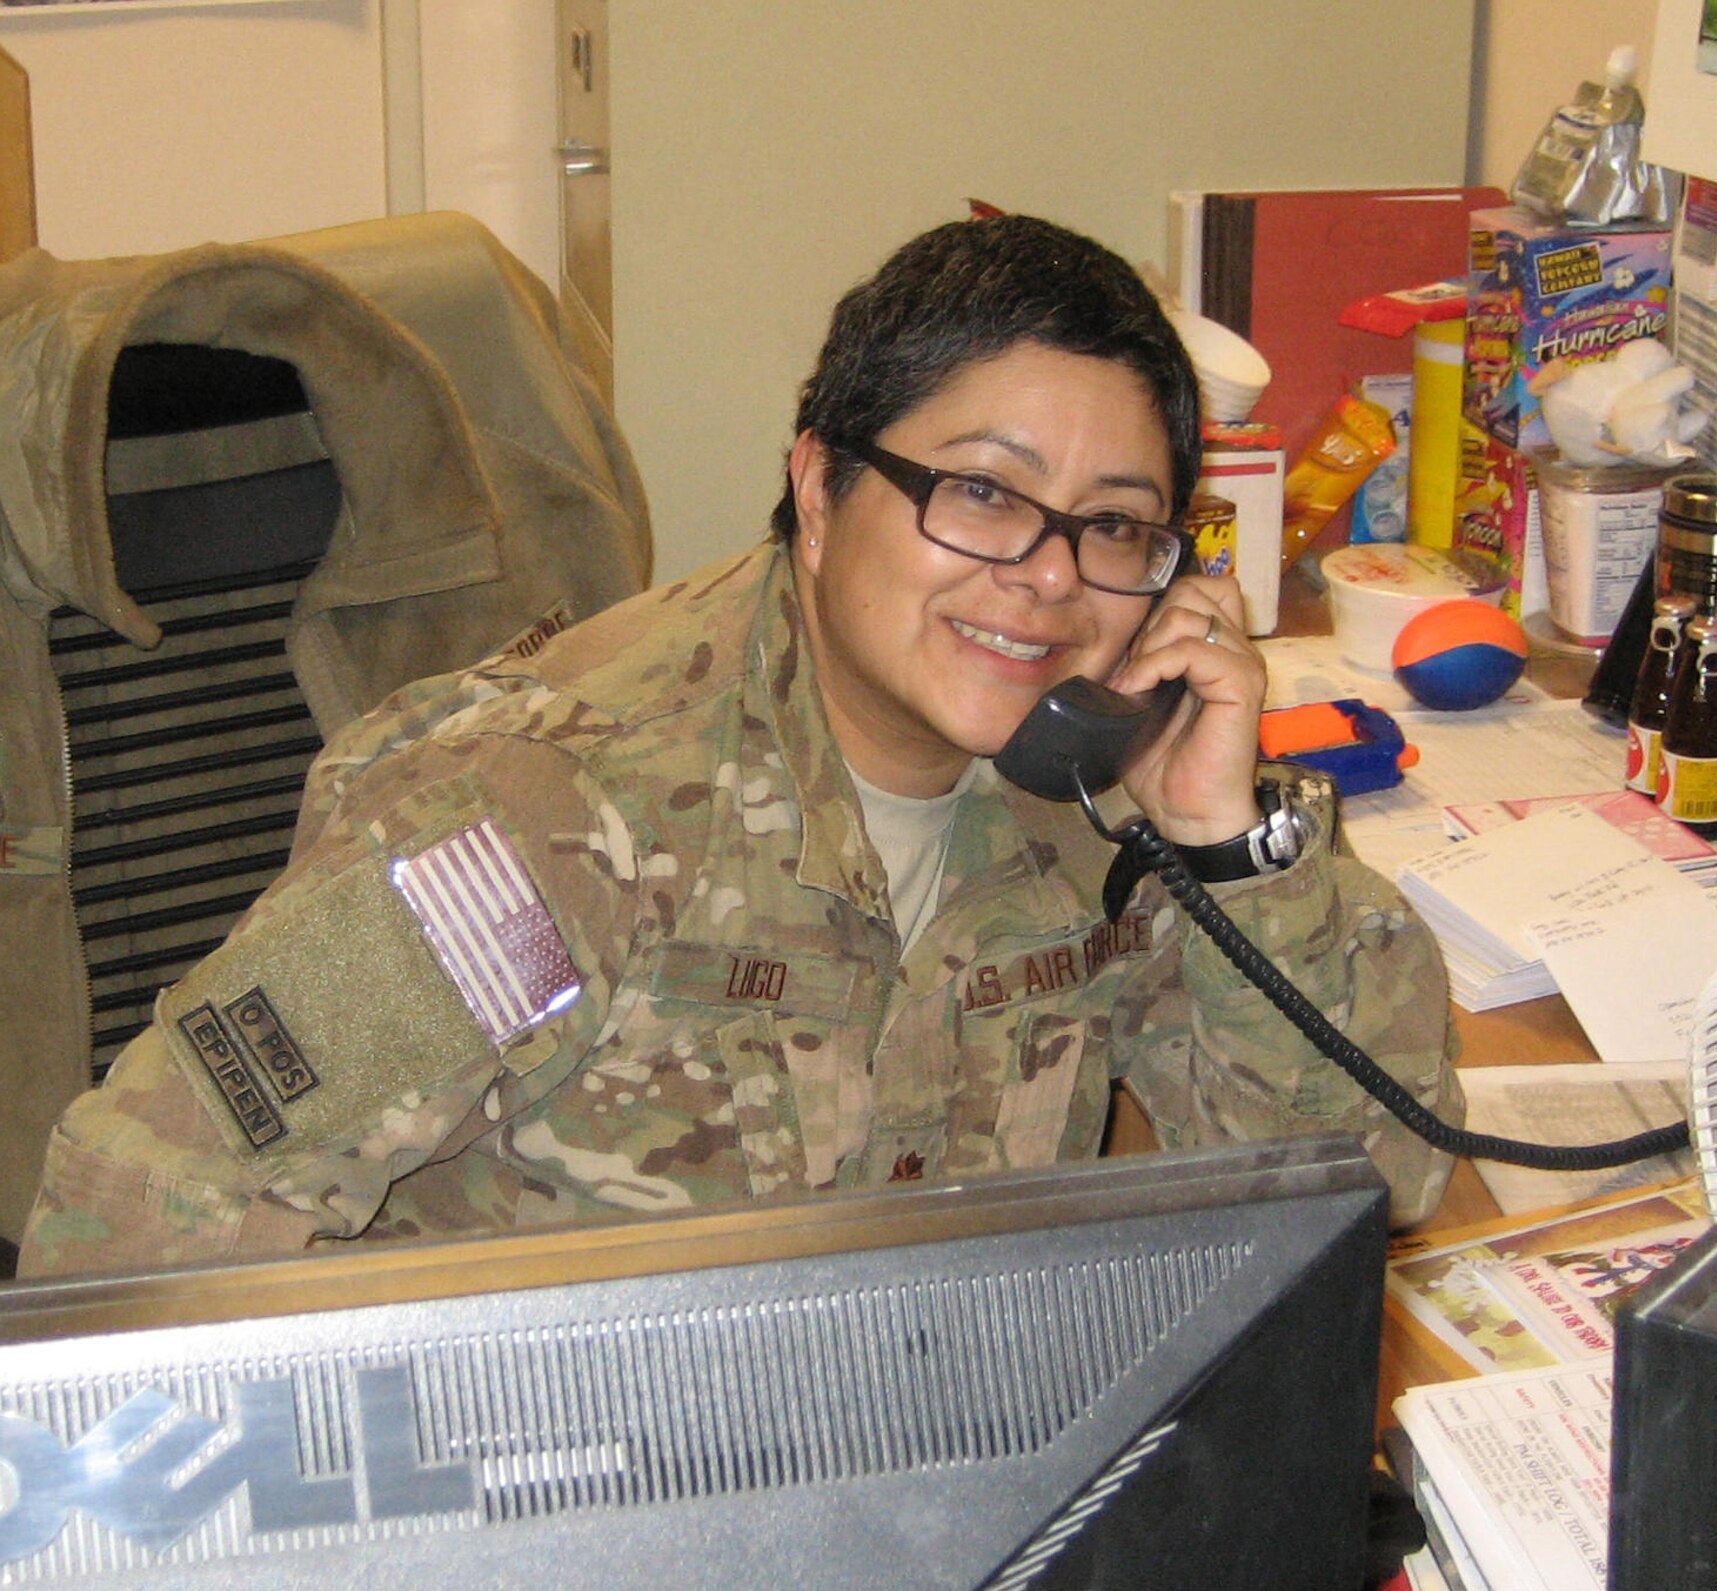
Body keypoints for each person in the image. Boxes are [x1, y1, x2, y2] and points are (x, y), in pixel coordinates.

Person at [18, 214, 1462, 1278]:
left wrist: (1228, 844)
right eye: (981, 492)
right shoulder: (542, 823)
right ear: (821, 490)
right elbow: (143, 1208)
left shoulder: (1090, 783)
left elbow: (1378, 1178)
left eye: (1117, 526)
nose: (1046, 575)